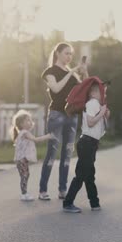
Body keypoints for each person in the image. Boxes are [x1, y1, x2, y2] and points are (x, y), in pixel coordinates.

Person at [39, 43, 88, 200]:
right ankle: (43, 191)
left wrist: (84, 71)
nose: (69, 57)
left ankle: (62, 190)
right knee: (52, 154)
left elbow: (85, 89)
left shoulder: (72, 73)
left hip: (72, 116)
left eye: (71, 54)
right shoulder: (50, 72)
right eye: (67, 53)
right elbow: (56, 89)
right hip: (56, 115)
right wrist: (71, 72)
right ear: (58, 53)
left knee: (67, 155)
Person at [62, 83, 108, 213]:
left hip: (90, 144)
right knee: (81, 175)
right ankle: (68, 203)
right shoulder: (92, 103)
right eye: (102, 92)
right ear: (93, 93)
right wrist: (102, 113)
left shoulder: (96, 105)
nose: (104, 95)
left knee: (89, 175)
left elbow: (99, 126)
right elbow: (90, 122)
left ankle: (94, 203)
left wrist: (104, 114)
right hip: (87, 143)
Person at [11, 110, 56, 201]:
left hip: (21, 159)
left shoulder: (23, 132)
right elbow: (36, 140)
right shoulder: (25, 133)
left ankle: (24, 193)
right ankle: (24, 194)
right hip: (21, 159)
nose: (30, 122)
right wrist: (48, 136)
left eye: (30, 120)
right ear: (21, 124)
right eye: (27, 120)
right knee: (25, 175)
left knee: (25, 175)